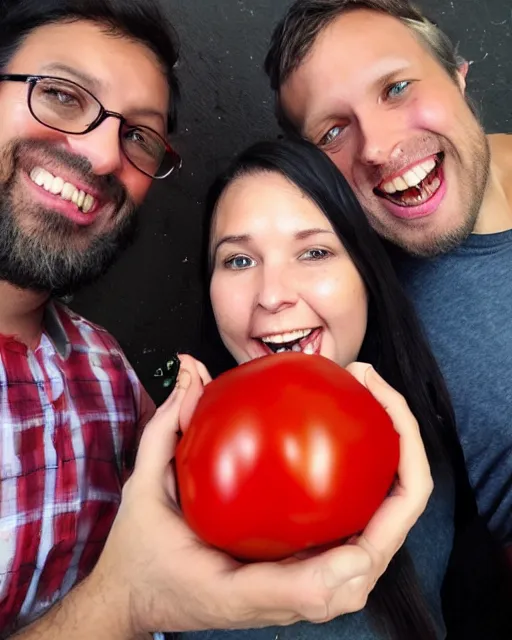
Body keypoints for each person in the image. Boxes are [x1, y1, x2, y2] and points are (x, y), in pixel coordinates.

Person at [0, 1, 438, 638]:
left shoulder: (110, 378)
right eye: (61, 95)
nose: (100, 156)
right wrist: (124, 602)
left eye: (138, 135)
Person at [178, 137, 511, 640]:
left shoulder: (438, 456)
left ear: (366, 274)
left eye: (314, 251)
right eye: (239, 261)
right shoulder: (159, 498)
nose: (272, 296)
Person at [263, 0, 512, 566]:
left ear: (457, 73)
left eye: (396, 88)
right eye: (332, 131)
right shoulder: (359, 324)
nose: (375, 148)